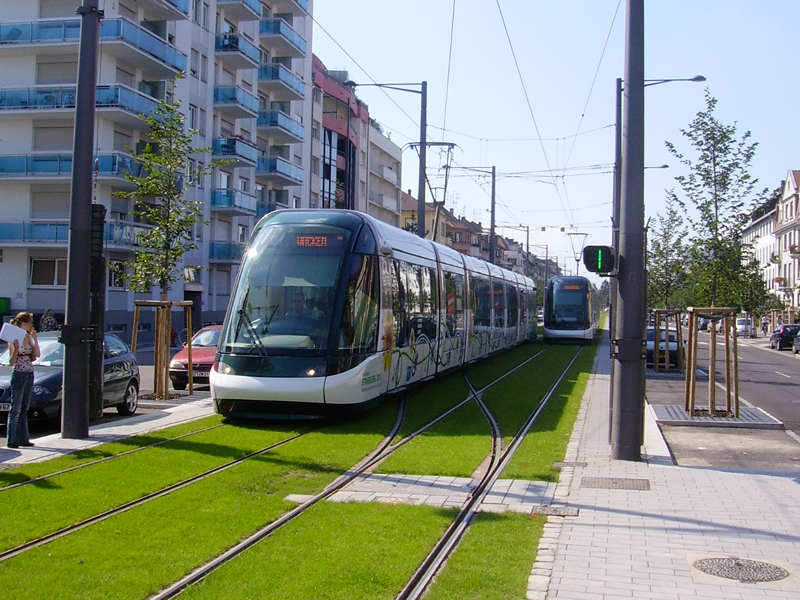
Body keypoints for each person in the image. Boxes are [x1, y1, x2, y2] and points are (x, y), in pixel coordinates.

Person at [6, 312, 40, 449]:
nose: (32, 325)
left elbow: (37, 354)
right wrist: (14, 349)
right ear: (24, 324)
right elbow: (11, 362)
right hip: (19, 374)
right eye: (31, 322)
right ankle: (12, 440)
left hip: (29, 373)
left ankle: (23, 438)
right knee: (15, 409)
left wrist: (35, 339)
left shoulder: (27, 336)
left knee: (24, 408)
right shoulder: (14, 338)